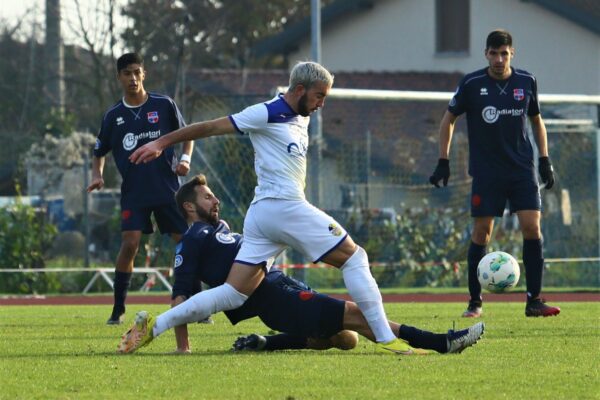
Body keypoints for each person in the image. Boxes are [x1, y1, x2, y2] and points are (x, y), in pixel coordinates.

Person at [123, 61, 416, 355]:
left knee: (233, 293)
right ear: (299, 89)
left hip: (265, 214)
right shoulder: (265, 112)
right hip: (283, 207)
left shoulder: (302, 116)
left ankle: (154, 326)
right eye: (318, 96)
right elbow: (211, 126)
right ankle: (386, 337)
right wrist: (162, 141)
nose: (321, 104)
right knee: (355, 257)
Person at [118, 174, 485, 355]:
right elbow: (181, 297)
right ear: (188, 207)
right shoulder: (191, 241)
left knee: (346, 339)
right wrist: (183, 348)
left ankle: (265, 343)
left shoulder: (224, 229)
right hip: (274, 300)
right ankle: (441, 343)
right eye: (208, 196)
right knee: (357, 313)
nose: (215, 201)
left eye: (213, 195)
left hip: (284, 291)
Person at [429, 30, 560, 318]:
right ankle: (475, 303)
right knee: (481, 232)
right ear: (486, 53)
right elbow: (448, 119)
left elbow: (537, 122)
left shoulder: (526, 81)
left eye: (504, 53)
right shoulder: (472, 84)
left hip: (522, 169)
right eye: (494, 53)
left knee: (532, 228)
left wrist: (545, 159)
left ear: (512, 53)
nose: (499, 59)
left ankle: (534, 301)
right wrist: (443, 160)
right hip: (487, 173)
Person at [87, 52, 195, 324]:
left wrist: (184, 160)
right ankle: (118, 309)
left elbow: (188, 135)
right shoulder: (113, 115)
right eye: (127, 73)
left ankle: (193, 303)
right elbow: (99, 150)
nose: (133, 78)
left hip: (168, 189)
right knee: (130, 244)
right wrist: (97, 175)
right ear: (119, 77)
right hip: (134, 193)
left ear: (144, 74)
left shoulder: (164, 104)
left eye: (137, 72)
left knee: (185, 245)